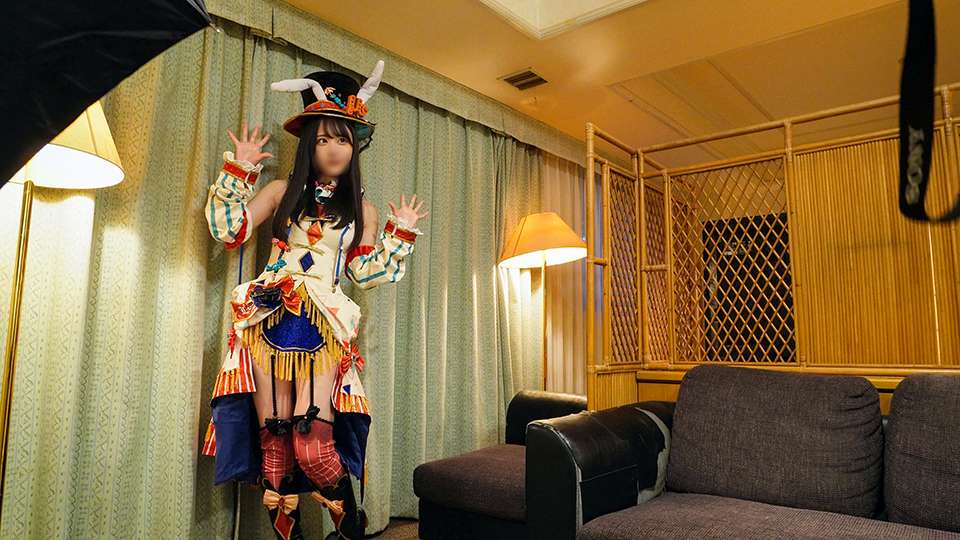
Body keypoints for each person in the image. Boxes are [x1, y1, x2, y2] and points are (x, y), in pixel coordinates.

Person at [199, 59, 428, 540]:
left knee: (313, 446)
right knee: (275, 451)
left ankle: (350, 527)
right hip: (267, 316)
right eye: (323, 139)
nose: (334, 148)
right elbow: (230, 231)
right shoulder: (281, 191)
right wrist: (239, 170)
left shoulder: (362, 208)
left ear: (355, 145)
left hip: (323, 322)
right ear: (308, 143)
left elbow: (364, 273)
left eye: (342, 138)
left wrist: (400, 234)